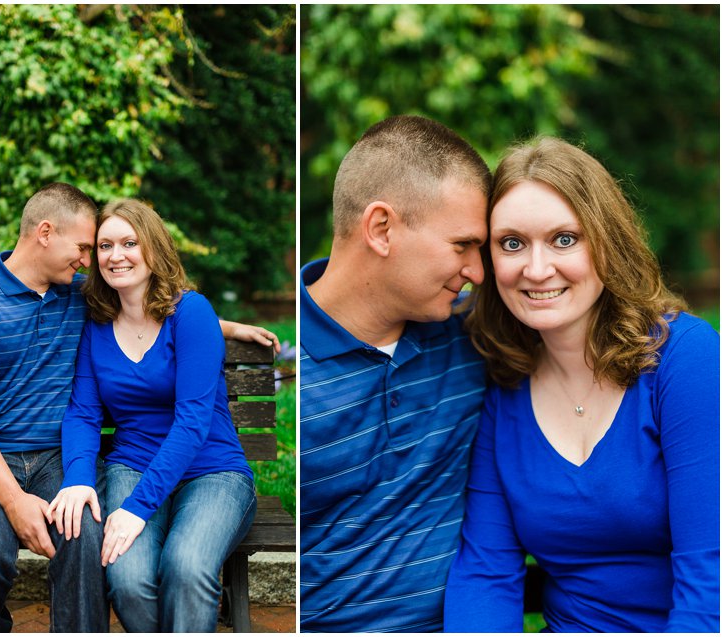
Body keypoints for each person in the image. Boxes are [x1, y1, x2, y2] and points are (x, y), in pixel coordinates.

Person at [0, 183, 280, 632]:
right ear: (46, 233)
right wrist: (25, 498)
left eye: (121, 245)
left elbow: (163, 311)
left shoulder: (91, 298)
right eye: (93, 247)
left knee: (101, 540)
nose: (96, 260)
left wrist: (221, 327)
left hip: (112, 463)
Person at [444, 137, 720, 632]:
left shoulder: (686, 359)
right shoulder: (503, 384)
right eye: (511, 243)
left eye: (564, 239)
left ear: (606, 241)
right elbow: (486, 571)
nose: (536, 268)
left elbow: (711, 571)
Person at [299, 115, 492, 632]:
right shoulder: (292, 377)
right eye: (462, 245)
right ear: (381, 229)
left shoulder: (476, 337)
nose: (477, 270)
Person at [46, 198, 259, 633]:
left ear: (154, 248)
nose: (115, 255)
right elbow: (83, 413)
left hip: (212, 471)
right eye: (104, 246)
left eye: (129, 243)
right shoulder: (97, 323)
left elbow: (193, 423)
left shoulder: (192, 313)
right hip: (133, 464)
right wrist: (79, 478)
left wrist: (137, 508)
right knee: (125, 577)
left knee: (186, 566)